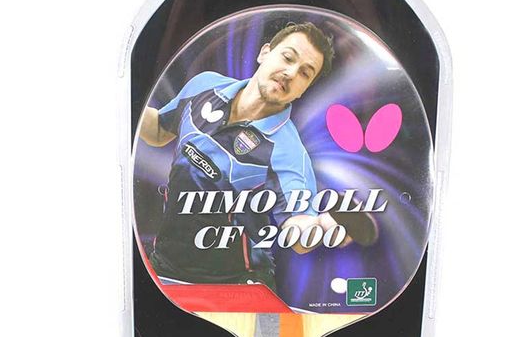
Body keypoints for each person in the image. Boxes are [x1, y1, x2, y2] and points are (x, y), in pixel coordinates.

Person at [139, 22, 373, 290]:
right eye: (288, 57)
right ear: (265, 53)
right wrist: (124, 103)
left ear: (304, 89)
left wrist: (322, 225)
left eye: (304, 73)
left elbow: (297, 231)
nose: (291, 73)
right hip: (165, 265)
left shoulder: (288, 152)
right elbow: (158, 131)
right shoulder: (204, 86)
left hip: (238, 286)